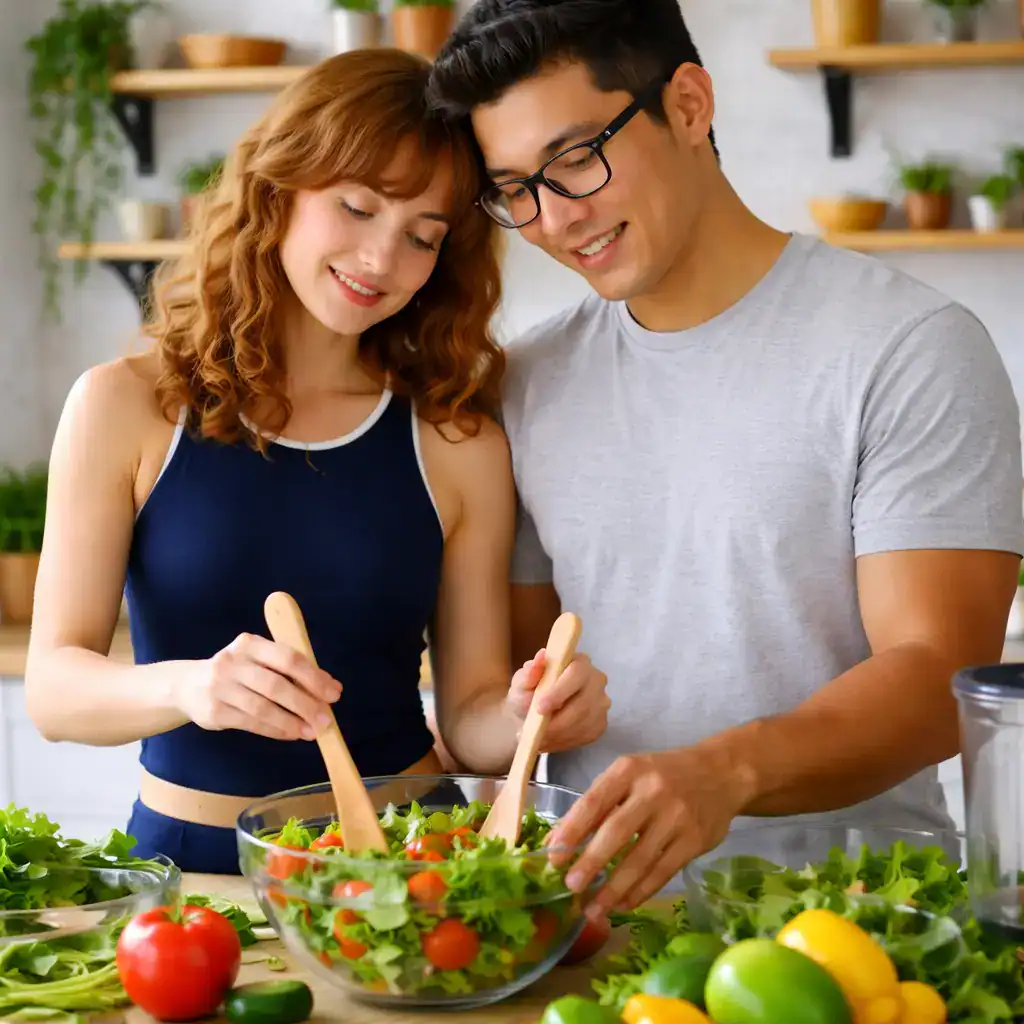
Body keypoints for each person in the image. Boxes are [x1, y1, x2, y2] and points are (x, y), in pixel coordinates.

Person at [427, 0, 1024, 918]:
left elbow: (939, 674)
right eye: (514, 189)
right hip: (593, 924)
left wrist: (725, 773)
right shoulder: (528, 380)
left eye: (576, 159)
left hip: (855, 925)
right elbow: (515, 688)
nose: (551, 219)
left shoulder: (908, 346)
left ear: (692, 105)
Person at [24, 48, 609, 875]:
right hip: (188, 864)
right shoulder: (123, 406)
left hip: (410, 860)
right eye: (358, 207)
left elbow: (471, 713)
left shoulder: (455, 441)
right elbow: (52, 690)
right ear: (280, 190)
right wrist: (187, 688)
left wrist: (527, 717)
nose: (382, 260)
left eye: (422, 236)